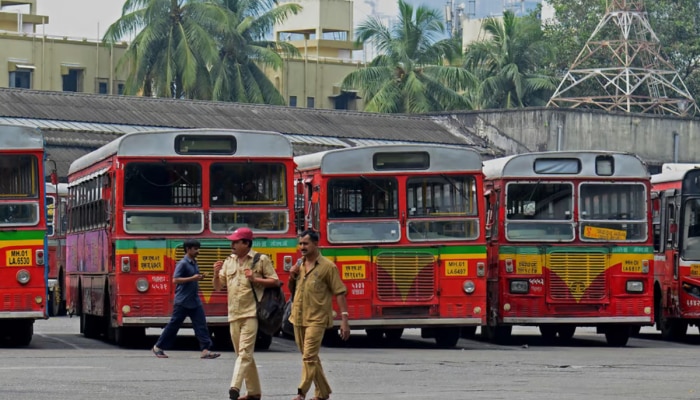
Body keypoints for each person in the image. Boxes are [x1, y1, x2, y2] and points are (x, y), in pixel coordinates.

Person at [213, 227, 281, 400]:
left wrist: (255, 279)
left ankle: (234, 387)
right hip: (233, 314)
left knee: (244, 353)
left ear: (246, 243)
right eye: (232, 241)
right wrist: (215, 273)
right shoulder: (229, 261)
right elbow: (218, 286)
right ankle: (254, 392)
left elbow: (275, 281)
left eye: (236, 241)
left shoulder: (261, 260)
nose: (232, 244)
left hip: (251, 313)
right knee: (243, 355)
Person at [288, 229, 350, 400]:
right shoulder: (299, 265)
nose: (302, 247)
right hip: (298, 317)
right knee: (310, 357)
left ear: (316, 244)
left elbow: (340, 292)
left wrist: (345, 320)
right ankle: (322, 392)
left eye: (306, 243)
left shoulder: (328, 267)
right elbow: (292, 291)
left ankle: (301, 392)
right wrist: (292, 276)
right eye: (300, 243)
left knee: (308, 357)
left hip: (317, 318)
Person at [152, 239, 220, 359]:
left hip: (194, 300)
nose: (198, 251)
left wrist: (198, 278)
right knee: (174, 325)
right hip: (182, 301)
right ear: (188, 249)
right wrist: (192, 278)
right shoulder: (183, 263)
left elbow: (191, 278)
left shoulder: (194, 262)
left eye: (198, 248)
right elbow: (175, 280)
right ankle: (158, 347)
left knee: (201, 325)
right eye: (195, 249)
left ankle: (205, 350)